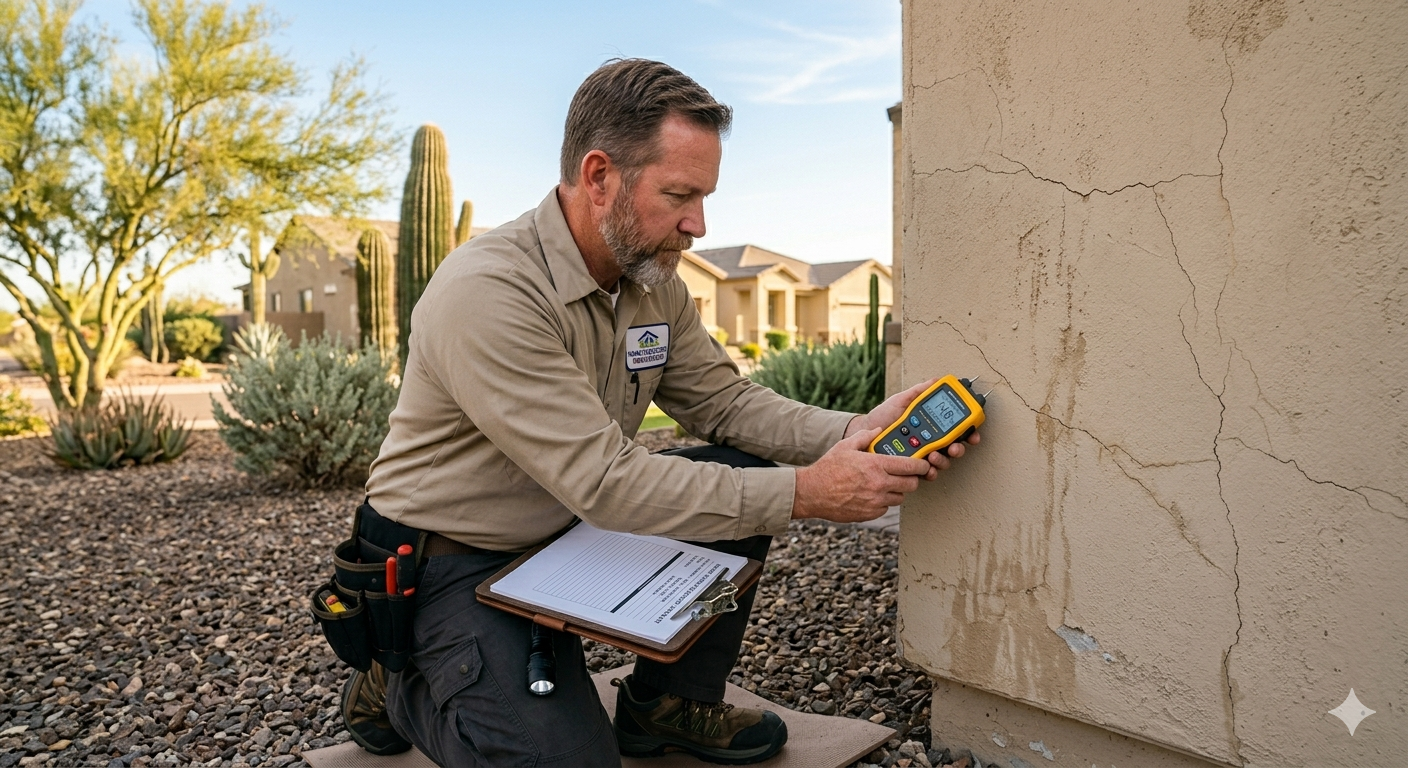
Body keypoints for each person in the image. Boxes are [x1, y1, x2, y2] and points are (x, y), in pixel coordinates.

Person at [342, 58, 979, 767]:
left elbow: (725, 403)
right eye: (679, 194)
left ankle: (666, 703)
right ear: (599, 177)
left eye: (703, 197)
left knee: (739, 470)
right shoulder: (491, 291)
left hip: (562, 524)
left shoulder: (651, 280)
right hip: (448, 557)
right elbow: (607, 482)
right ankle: (400, 678)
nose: (697, 224)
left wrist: (853, 432)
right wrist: (808, 492)